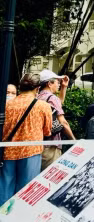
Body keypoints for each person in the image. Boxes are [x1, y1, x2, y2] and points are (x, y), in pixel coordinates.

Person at [0, 73, 52, 204]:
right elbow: (47, 131)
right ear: (37, 89)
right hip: (31, 151)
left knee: (5, 188)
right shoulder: (43, 106)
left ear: (20, 87)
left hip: (8, 151)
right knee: (26, 190)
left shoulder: (7, 105)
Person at [37, 69, 75, 170]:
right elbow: (63, 122)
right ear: (49, 83)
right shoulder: (52, 98)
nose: (59, 84)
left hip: (39, 143)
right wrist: (74, 140)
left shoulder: (38, 96)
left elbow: (59, 103)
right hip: (51, 145)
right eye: (58, 82)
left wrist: (64, 87)